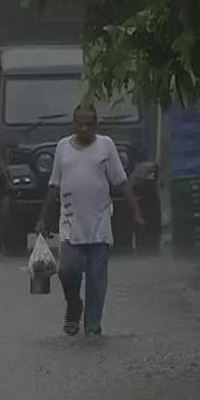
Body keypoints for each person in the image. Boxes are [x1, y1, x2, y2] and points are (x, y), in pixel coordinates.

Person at [37, 103, 145, 338]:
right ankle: (74, 305)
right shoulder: (62, 148)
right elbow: (54, 185)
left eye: (89, 124)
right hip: (70, 223)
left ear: (96, 125)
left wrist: (135, 212)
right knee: (67, 270)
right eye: (80, 124)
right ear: (73, 125)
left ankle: (93, 329)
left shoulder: (106, 147)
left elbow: (121, 182)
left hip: (99, 223)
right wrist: (43, 218)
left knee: (97, 281)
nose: (84, 128)